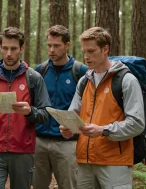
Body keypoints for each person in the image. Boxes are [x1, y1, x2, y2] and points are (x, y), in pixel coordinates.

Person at [60, 27, 145, 189]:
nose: (86, 57)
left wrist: (103, 130)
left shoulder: (126, 80)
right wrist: (68, 128)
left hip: (114, 163)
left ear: (105, 49)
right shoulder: (84, 82)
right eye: (84, 51)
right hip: (84, 161)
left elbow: (137, 123)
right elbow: (73, 113)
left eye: (91, 51)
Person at [0, 27, 50, 189]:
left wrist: (30, 112)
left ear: (21, 49)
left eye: (14, 48)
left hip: (23, 150)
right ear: (0, 47)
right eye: (5, 48)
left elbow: (45, 114)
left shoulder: (33, 78)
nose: (9, 53)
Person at [33, 25, 88, 189]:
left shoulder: (80, 71)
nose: (51, 50)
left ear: (67, 45)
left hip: (67, 144)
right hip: (39, 141)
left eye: (56, 45)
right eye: (49, 45)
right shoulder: (40, 71)